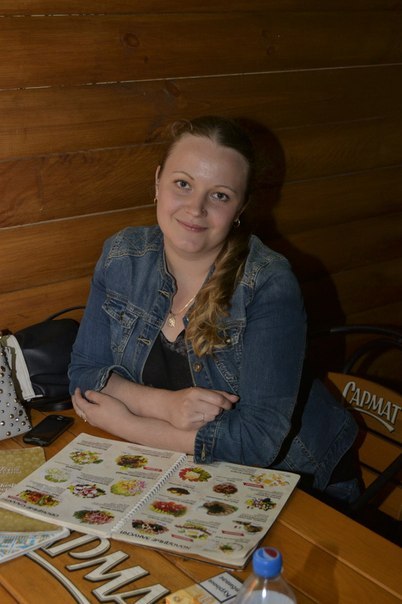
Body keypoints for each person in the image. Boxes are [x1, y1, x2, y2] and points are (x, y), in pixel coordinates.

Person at [69, 115, 361, 505]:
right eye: (183, 184)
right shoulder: (123, 256)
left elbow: (256, 442)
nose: (196, 208)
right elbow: (84, 372)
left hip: (296, 484)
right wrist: (165, 406)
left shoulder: (268, 283)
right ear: (157, 182)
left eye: (220, 195)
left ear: (241, 207)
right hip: (184, 471)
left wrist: (126, 423)